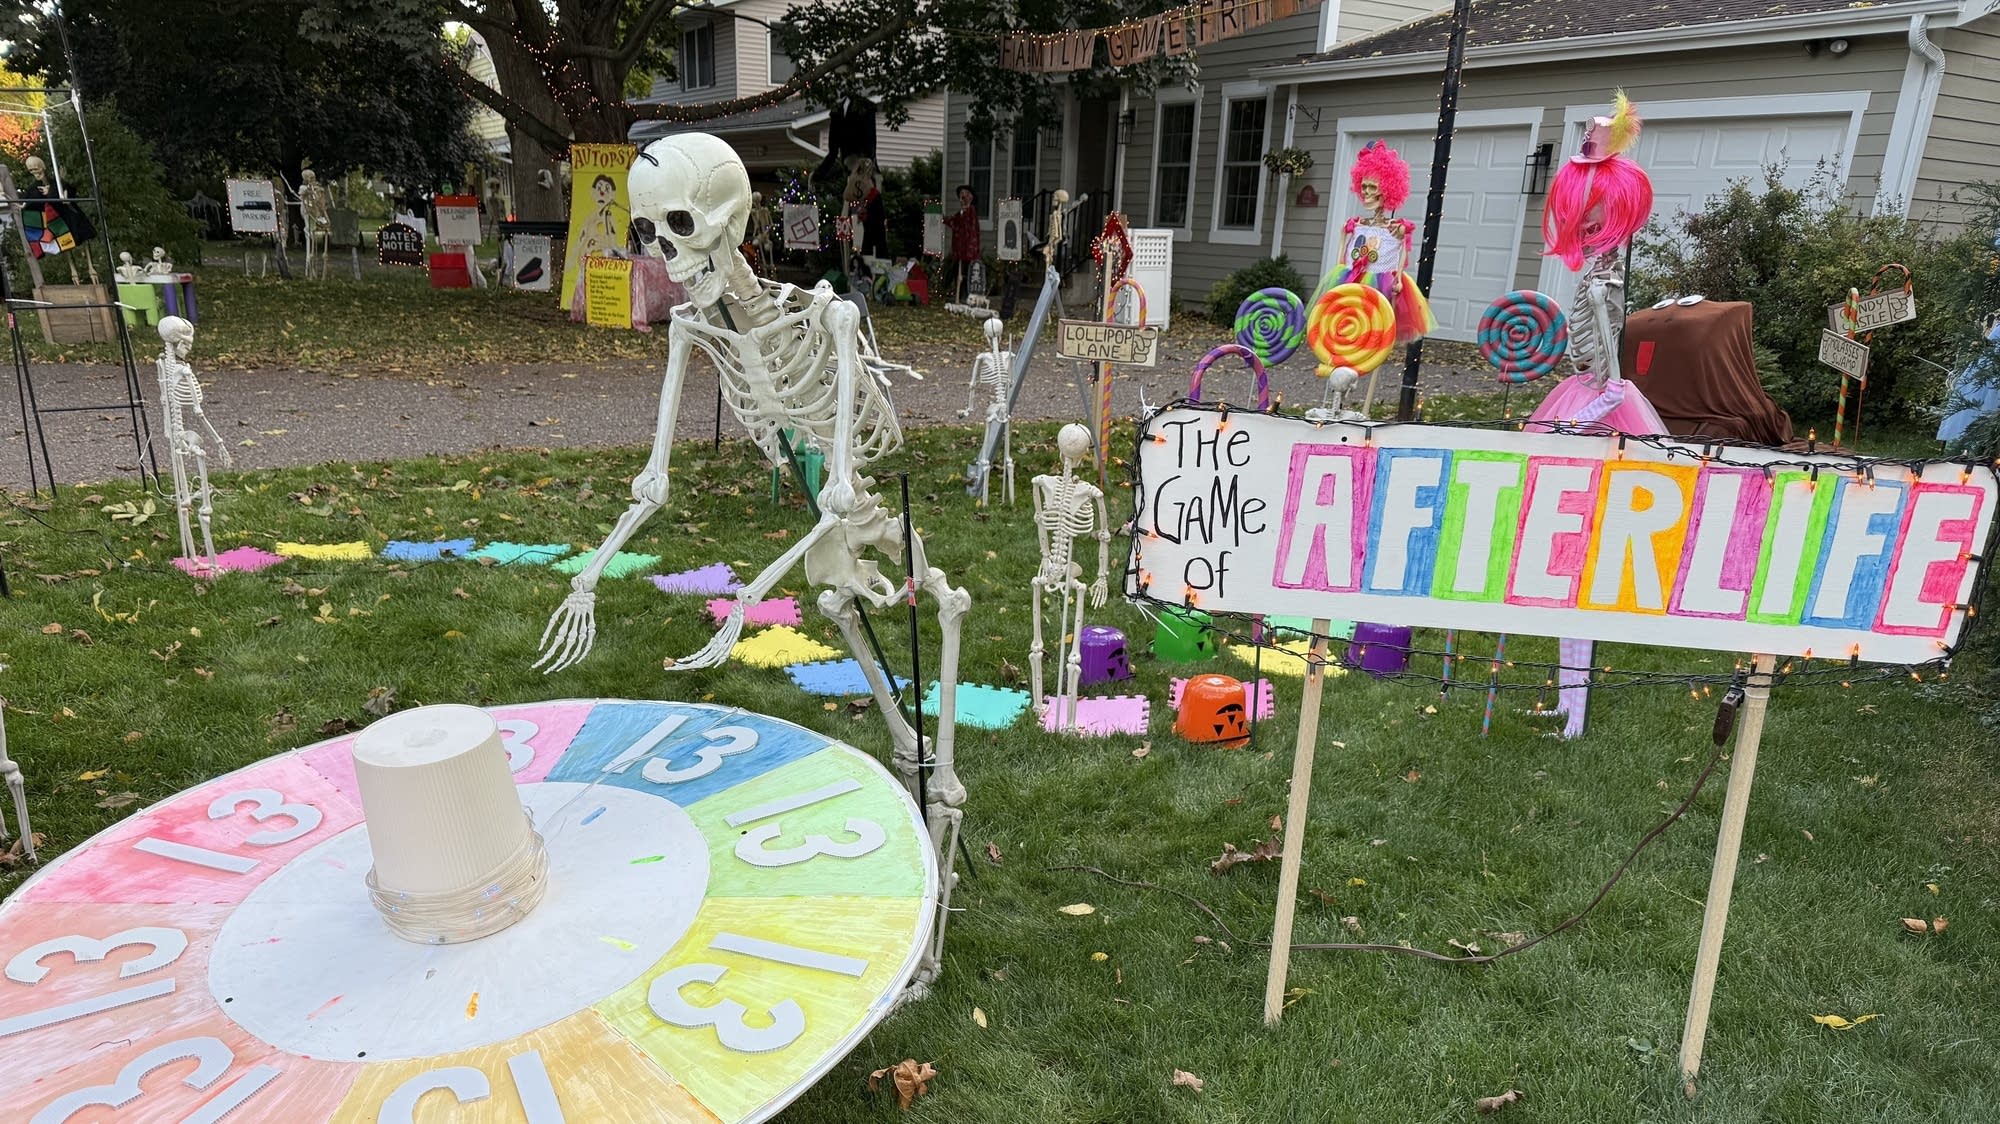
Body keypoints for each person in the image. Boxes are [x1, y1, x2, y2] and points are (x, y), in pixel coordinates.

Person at [941, 184, 981, 304]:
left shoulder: (971, 212)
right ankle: (958, 296)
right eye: (961, 196)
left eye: (965, 196)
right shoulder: (961, 213)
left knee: (966, 273)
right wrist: (941, 218)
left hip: (968, 251)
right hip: (959, 250)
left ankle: (965, 297)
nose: (962, 199)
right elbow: (953, 222)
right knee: (957, 273)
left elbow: (967, 227)